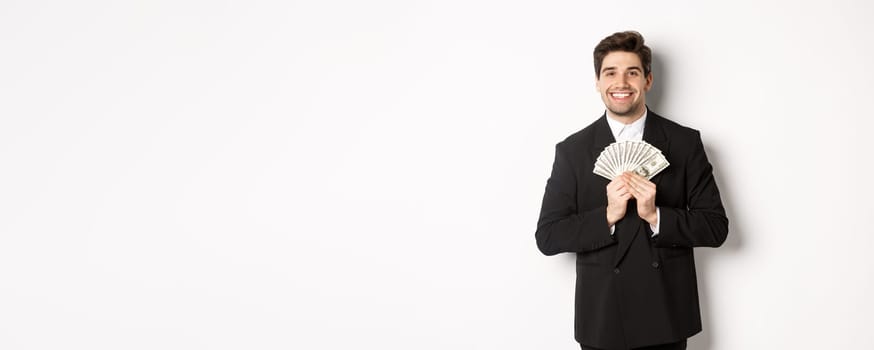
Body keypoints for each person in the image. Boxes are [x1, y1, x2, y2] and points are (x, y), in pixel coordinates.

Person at [534, 31, 729, 350]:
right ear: (597, 82)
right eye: (610, 73)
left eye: (632, 72)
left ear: (648, 80)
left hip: (666, 316)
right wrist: (607, 216)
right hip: (601, 320)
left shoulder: (684, 143)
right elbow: (549, 236)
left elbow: (716, 228)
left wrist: (656, 216)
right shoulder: (573, 151)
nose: (621, 82)